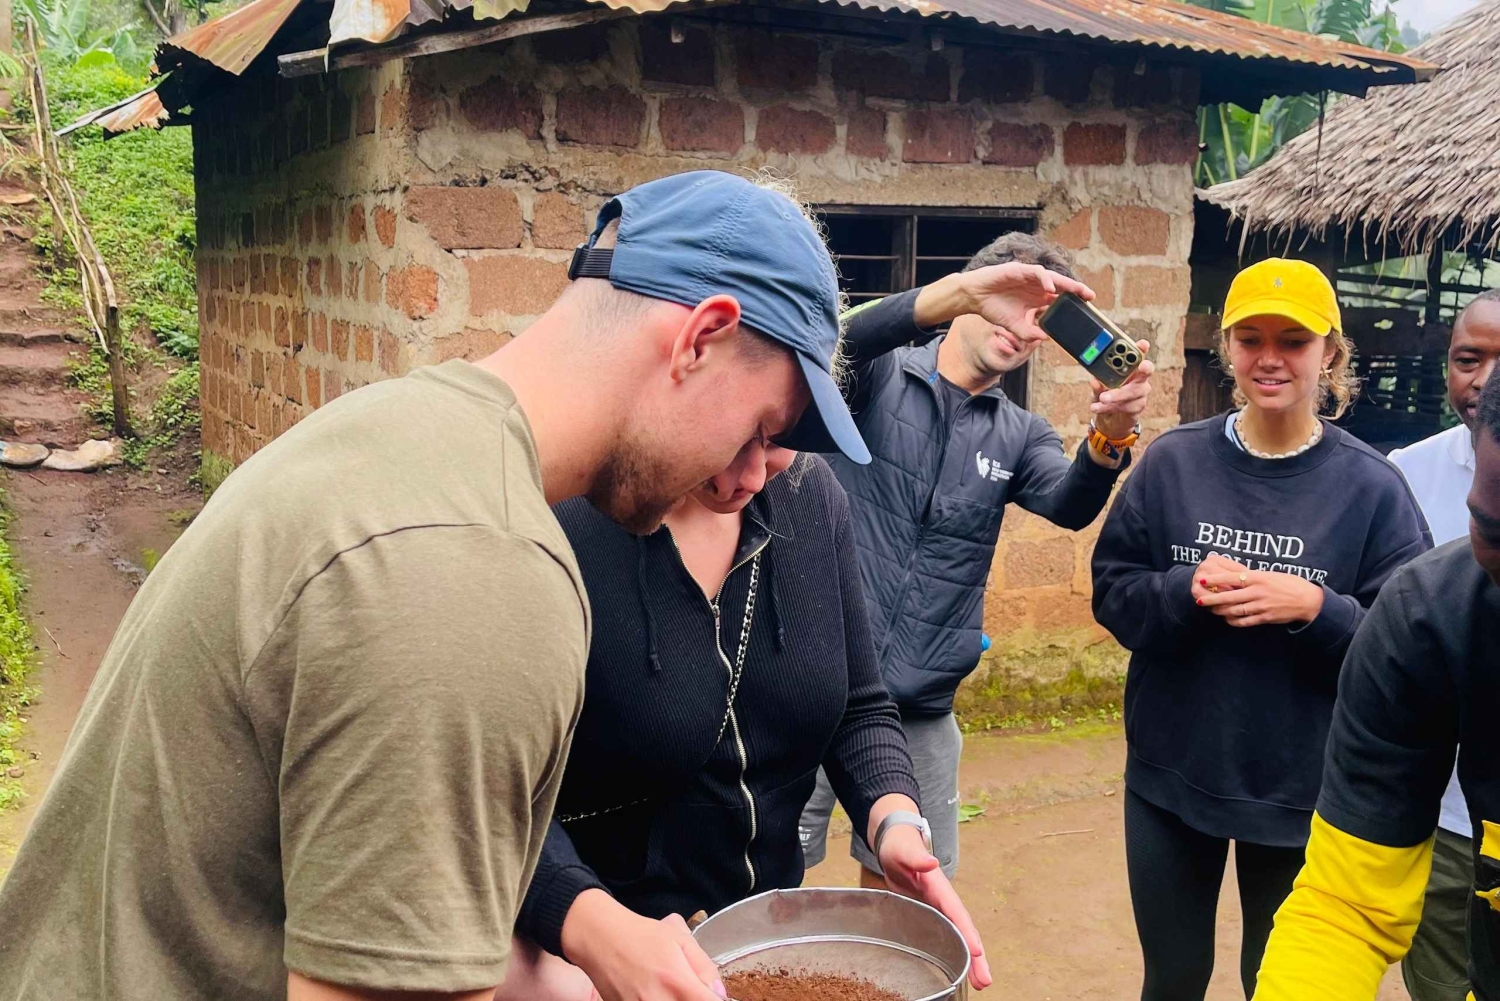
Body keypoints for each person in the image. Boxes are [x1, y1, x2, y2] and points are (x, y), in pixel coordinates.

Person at [0, 170, 871, 1001]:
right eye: (760, 427)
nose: (759, 470)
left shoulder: (395, 434)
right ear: (701, 337)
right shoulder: (475, 566)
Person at [496, 441, 995, 1001]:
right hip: (596, 967)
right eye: (739, 437)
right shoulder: (553, 523)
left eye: (781, 436)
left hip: (765, 957)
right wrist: (588, 932)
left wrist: (894, 822)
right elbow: (488, 792)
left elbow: (858, 703)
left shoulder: (811, 495)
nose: (755, 476)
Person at [1090, 257, 1432, 1001]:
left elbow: (1412, 651)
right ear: (1229, 349)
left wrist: (1318, 609)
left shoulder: (1372, 488)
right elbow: (1113, 594)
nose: (1270, 358)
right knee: (1174, 976)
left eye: (1294, 340)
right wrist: (1185, 589)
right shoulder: (1173, 463)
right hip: (1172, 773)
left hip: (1300, 787)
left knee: (1275, 981)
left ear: (1331, 353)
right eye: (1251, 338)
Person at [799, 231, 1153, 885]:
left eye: (1039, 319)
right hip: (809, 679)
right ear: (972, 296)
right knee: (762, 875)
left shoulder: (1019, 433)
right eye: (1006, 303)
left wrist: (1110, 434)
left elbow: (1071, 501)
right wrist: (946, 296)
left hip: (921, 704)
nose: (1018, 329)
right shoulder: (876, 374)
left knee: (904, 891)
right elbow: (834, 334)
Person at [1252, 371, 1500, 1001]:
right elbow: (1348, 907)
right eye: (1493, 531)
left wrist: (1317, 608)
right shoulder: (1433, 616)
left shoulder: (1368, 479)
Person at [1386, 290, 1500, 1001]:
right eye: (1468, 359)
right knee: (1435, 979)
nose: (1483, 380)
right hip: (1436, 811)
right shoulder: (1405, 473)